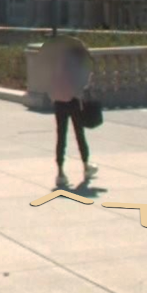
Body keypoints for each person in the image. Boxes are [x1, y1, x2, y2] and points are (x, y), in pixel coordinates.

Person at [48, 39, 98, 188]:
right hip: (74, 101)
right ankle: (85, 165)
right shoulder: (79, 64)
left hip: (59, 102)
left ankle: (60, 172)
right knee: (79, 134)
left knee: (61, 136)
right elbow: (84, 82)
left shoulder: (58, 64)